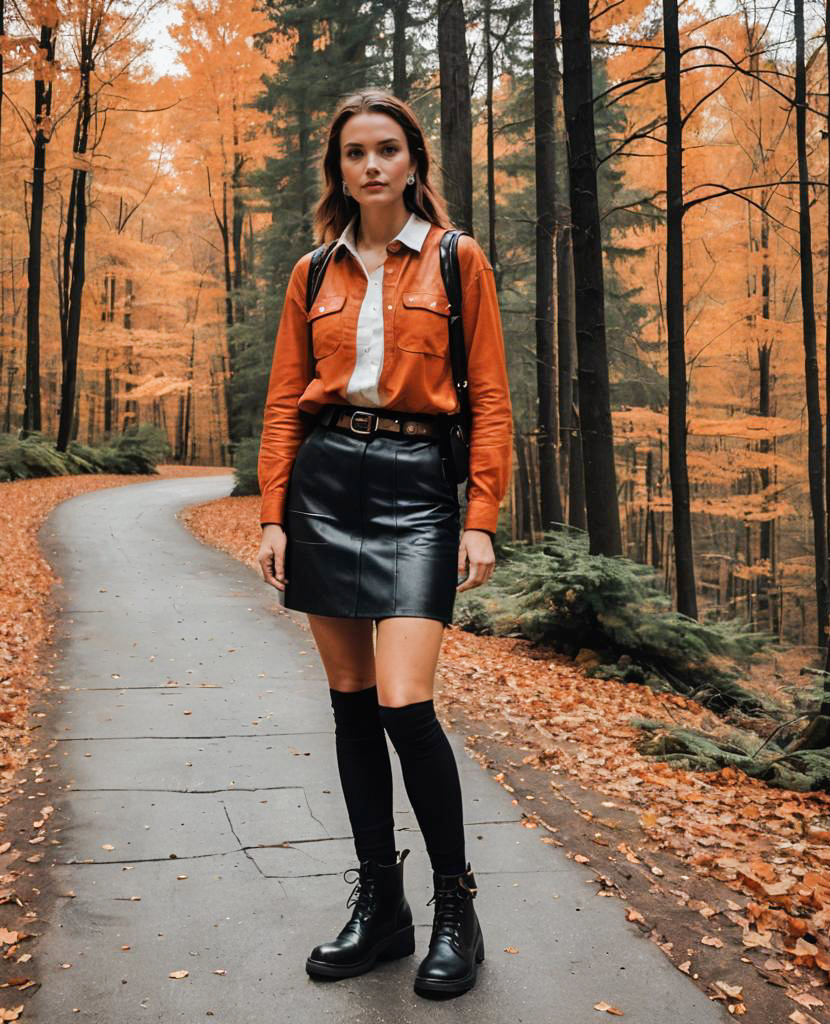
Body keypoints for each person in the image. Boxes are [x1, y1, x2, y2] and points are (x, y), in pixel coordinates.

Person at [256, 88, 513, 998]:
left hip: (416, 491)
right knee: (352, 702)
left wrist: (480, 515)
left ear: (414, 164)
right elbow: (288, 400)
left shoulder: (455, 258)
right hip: (326, 485)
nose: (371, 165)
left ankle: (457, 905)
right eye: (355, 152)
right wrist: (274, 513)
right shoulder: (312, 270)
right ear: (339, 169)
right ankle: (381, 906)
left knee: (408, 703)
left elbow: (488, 394)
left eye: (388, 150)